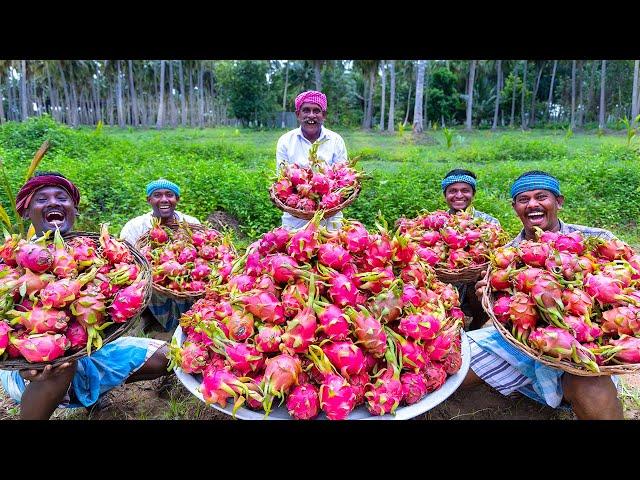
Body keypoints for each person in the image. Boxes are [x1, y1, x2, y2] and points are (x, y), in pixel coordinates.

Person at [0, 172, 171, 420]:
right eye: (41, 199)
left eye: (62, 197)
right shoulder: (11, 263)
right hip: (34, 371)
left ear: (74, 210)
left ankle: (95, 391)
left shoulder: (94, 255)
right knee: (59, 365)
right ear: (26, 213)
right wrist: (28, 357)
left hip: (90, 352)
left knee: (168, 357)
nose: (54, 202)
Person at [463, 170, 624, 420]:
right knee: (457, 364)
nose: (533, 204)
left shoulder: (598, 239)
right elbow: (503, 315)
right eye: (523, 199)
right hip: (522, 344)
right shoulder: (505, 256)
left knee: (591, 388)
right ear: (514, 206)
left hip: (586, 347)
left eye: (542, 197)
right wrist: (488, 297)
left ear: (558, 201)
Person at [119, 179, 200, 332]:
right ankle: (146, 317)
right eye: (157, 195)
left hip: (188, 283)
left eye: (169, 195)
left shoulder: (190, 223)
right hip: (150, 282)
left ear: (177, 199)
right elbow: (126, 258)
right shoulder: (135, 226)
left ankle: (190, 321)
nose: (164, 199)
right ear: (148, 200)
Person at [276, 90, 348, 231]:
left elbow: (342, 178)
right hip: (295, 219)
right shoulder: (285, 141)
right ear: (298, 114)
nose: (311, 115)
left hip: (330, 219)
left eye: (316, 111)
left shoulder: (336, 141)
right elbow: (282, 179)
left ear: (324, 115)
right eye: (306, 110)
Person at [441, 168, 499, 330]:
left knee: (483, 287)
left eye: (465, 190)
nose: (459, 195)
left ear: (473, 194)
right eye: (452, 191)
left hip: (476, 284)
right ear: (445, 195)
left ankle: (475, 326)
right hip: (446, 283)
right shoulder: (438, 223)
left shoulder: (489, 222)